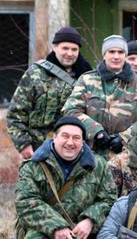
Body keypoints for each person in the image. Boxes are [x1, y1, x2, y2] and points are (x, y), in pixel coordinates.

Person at [15, 116, 116, 239]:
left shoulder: (99, 165)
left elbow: (109, 199)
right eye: (65, 136)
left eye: (76, 138)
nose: (70, 142)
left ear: (83, 142)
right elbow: (26, 201)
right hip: (45, 232)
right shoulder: (34, 165)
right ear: (54, 137)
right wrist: (57, 226)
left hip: (81, 236)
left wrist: (90, 220)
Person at [62, 35, 137, 159]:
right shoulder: (87, 80)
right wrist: (96, 131)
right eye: (111, 52)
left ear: (125, 55)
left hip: (129, 156)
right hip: (91, 154)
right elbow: (70, 110)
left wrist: (124, 137)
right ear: (104, 55)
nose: (116, 56)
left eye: (120, 52)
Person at [7, 27, 92, 159]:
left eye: (74, 49)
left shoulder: (88, 77)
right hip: (39, 151)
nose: (69, 53)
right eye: (65, 48)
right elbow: (16, 113)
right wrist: (23, 144)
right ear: (55, 47)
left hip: (76, 152)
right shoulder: (35, 73)